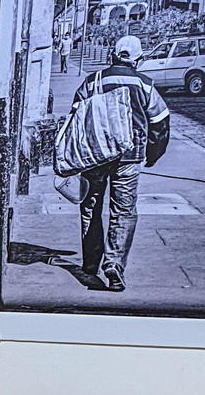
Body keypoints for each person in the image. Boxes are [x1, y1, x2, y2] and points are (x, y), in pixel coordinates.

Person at [66, 35, 170, 293]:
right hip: (129, 155)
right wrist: (153, 153)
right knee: (123, 210)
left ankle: (90, 263)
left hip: (95, 155)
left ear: (112, 55)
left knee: (91, 206)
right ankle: (114, 265)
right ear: (138, 59)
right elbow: (160, 122)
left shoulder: (93, 81)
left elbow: (76, 116)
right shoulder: (145, 85)